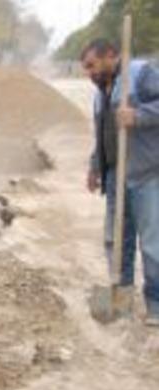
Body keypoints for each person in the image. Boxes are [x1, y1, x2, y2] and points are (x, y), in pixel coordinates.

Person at [82, 38, 159, 325]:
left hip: (147, 174)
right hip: (116, 175)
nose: (88, 73)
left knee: (152, 243)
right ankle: (122, 300)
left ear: (111, 55)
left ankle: (156, 305)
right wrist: (95, 166)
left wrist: (138, 115)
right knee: (116, 239)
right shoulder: (100, 92)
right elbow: (104, 134)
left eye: (92, 65)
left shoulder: (141, 74)